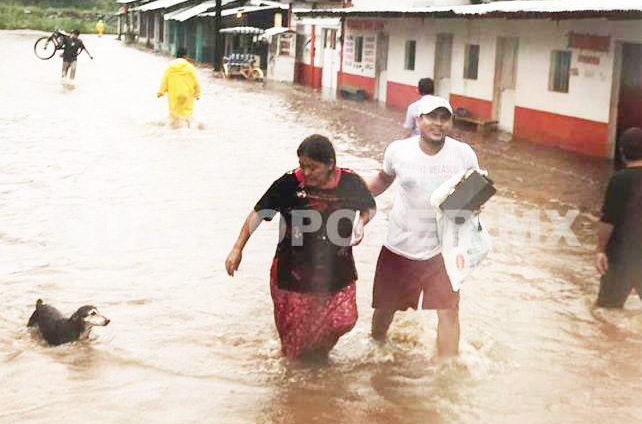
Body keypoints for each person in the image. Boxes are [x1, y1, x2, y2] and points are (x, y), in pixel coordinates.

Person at [225, 134, 376, 360]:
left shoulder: (350, 182)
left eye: (313, 167)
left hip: (337, 270)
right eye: (302, 166)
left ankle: (319, 352)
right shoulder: (289, 184)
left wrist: (361, 223)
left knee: (344, 319)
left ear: (330, 165)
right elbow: (258, 214)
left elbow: (369, 207)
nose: (306, 172)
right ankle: (298, 386)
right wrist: (238, 248)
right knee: (294, 349)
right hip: (292, 272)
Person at [366, 95, 479, 357]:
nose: (438, 124)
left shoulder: (463, 154)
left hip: (443, 250)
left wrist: (473, 206)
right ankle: (375, 352)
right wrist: (352, 193)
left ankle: (448, 367)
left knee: (449, 312)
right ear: (418, 119)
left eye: (444, 118)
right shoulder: (398, 150)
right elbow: (383, 180)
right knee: (384, 309)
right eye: (431, 117)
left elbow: (476, 193)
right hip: (400, 246)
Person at [595, 127, 642, 308]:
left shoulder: (619, 180)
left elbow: (608, 221)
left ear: (621, 152)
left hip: (620, 258)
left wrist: (600, 250)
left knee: (604, 314)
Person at [157, 48, 201, 122]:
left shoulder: (170, 66)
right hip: (187, 94)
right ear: (185, 56)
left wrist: (161, 92)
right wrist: (197, 93)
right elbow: (195, 82)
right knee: (187, 115)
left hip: (174, 94)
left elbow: (164, 80)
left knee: (174, 115)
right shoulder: (190, 67)